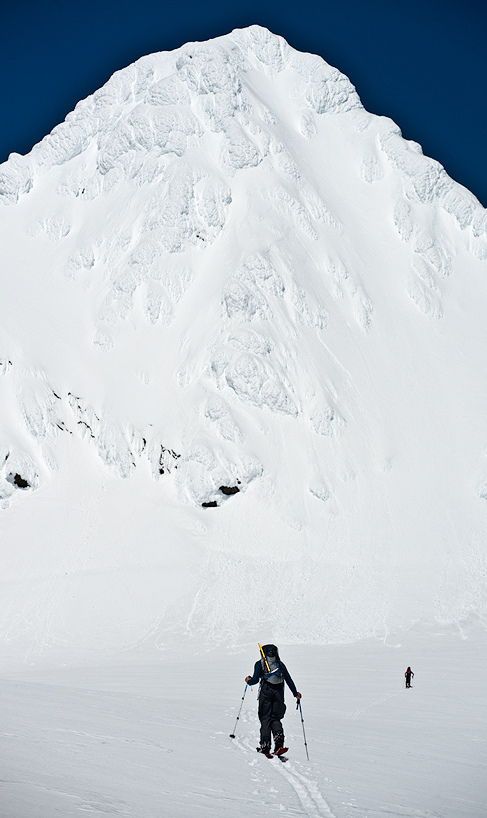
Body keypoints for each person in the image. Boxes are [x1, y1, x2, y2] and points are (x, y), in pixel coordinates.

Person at [245, 644, 301, 756]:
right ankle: (279, 744)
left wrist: (248, 681)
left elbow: (255, 680)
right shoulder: (280, 664)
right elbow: (289, 680)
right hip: (279, 693)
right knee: (275, 718)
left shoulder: (259, 664)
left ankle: (265, 745)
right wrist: (296, 694)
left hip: (266, 692)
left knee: (265, 718)